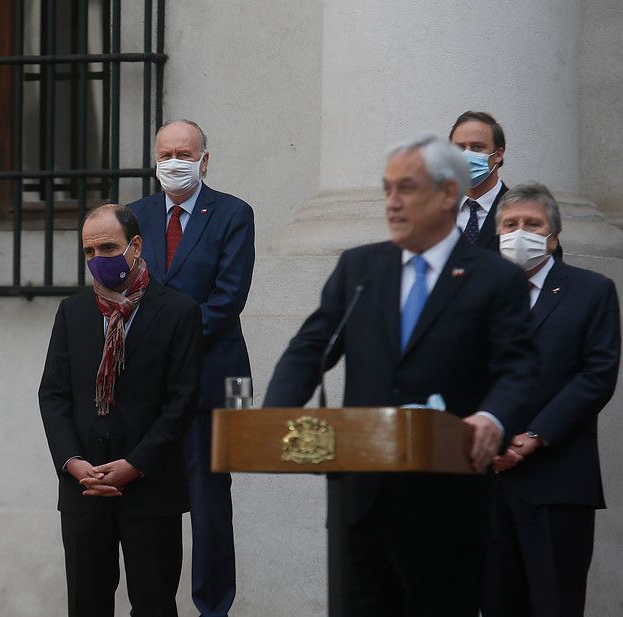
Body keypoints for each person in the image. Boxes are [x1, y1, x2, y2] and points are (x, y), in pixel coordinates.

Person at [263, 134, 538, 616]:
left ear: (448, 193)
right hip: (360, 501)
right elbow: (311, 348)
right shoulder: (361, 267)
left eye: (405, 189)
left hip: (447, 505)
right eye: (387, 189)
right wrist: (272, 417)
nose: (391, 203)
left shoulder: (496, 278)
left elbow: (519, 369)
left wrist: (492, 419)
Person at [39, 204, 201, 617]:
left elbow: (181, 401)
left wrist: (136, 463)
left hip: (149, 490)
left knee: (154, 604)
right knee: (86, 604)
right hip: (84, 489)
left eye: (107, 248)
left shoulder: (179, 312)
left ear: (135, 246)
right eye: (89, 252)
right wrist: (72, 462)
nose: (98, 260)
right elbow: (53, 395)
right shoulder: (72, 312)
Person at [128, 119, 254, 617]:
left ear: (204, 160)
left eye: (184, 152)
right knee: (152, 501)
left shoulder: (234, 213)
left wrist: (167, 341)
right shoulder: (133, 215)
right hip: (151, 383)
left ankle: (214, 609)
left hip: (220, 380)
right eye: (165, 153)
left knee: (210, 503)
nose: (173, 162)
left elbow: (229, 298)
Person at [482, 183, 620, 617]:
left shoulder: (591, 291)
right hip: (485, 483)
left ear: (554, 236)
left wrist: (534, 437)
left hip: (557, 480)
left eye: (532, 224)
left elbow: (596, 375)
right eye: (510, 224)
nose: (519, 232)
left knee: (555, 605)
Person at [449, 110, 508, 249]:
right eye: (459, 148)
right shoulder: (436, 210)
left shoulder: (522, 211)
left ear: (498, 154)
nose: (466, 154)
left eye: (477, 147)